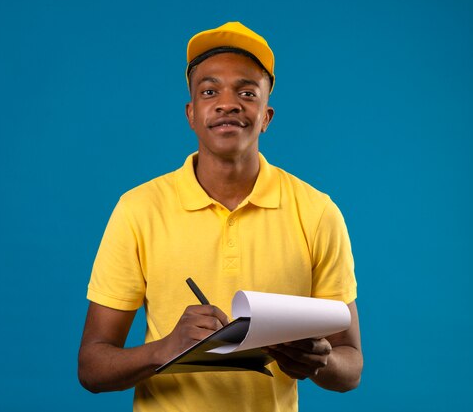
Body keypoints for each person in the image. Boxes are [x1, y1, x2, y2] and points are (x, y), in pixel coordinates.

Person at [78, 21, 363, 412]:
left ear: (266, 116)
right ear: (192, 113)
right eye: (210, 91)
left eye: (247, 93)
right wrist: (163, 350)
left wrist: (320, 361)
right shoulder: (139, 209)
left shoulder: (317, 212)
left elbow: (351, 366)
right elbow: (92, 368)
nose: (228, 103)